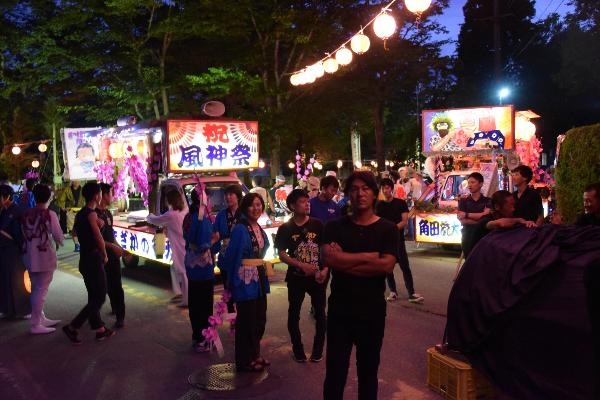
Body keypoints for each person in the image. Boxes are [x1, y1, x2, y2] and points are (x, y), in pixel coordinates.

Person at [321, 171, 398, 400]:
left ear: (374, 194)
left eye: (365, 188)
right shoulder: (334, 227)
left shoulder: (387, 229)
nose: (360, 193)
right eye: (354, 189)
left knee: (368, 374)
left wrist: (345, 260)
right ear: (347, 195)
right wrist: (369, 257)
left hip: (372, 312)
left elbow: (386, 267)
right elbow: (329, 260)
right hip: (339, 312)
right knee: (335, 373)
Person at [275, 189, 328, 363]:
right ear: (292, 206)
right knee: (294, 313)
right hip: (296, 278)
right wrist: (300, 265)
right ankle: (298, 350)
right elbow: (282, 254)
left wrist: (325, 270)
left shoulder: (318, 224)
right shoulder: (285, 228)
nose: (307, 204)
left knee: (320, 313)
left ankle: (317, 350)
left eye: (308, 201)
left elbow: (325, 251)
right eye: (302, 201)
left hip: (317, 277)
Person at [223, 193, 271, 372]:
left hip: (258, 278)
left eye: (259, 205)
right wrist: (232, 282)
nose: (256, 208)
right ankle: (244, 359)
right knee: (246, 321)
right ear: (245, 208)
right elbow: (232, 256)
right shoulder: (240, 229)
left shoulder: (257, 226)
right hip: (244, 280)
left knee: (260, 319)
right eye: (252, 205)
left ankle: (255, 353)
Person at [62, 182, 115, 343]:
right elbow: (98, 238)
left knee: (93, 295)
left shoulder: (81, 214)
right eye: (100, 193)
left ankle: (99, 329)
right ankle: (73, 327)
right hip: (93, 259)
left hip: (84, 259)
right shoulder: (92, 214)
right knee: (100, 296)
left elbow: (76, 233)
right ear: (96, 196)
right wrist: (105, 254)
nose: (101, 196)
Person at [21, 184, 65, 334]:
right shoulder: (49, 214)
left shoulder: (27, 214)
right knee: (41, 290)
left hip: (28, 255)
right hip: (44, 256)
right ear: (48, 196)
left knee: (35, 288)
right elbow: (59, 237)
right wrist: (60, 240)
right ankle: (35, 324)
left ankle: (40, 318)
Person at [376, 178, 424, 304]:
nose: (385, 190)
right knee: (388, 267)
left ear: (392, 189)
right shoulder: (379, 205)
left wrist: (392, 230)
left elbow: (404, 221)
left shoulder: (400, 203)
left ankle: (411, 292)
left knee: (405, 266)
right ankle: (393, 291)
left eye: (387, 188)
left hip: (398, 239)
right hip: (384, 241)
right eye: (383, 188)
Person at [183, 189, 216, 353]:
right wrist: (214, 240)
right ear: (203, 200)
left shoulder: (190, 217)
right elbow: (203, 245)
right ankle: (203, 337)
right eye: (208, 198)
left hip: (192, 266)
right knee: (203, 304)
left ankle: (198, 336)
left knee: (195, 303)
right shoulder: (200, 219)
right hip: (202, 268)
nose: (210, 201)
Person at [147, 189, 189, 307]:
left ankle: (186, 300)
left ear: (169, 200)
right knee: (175, 267)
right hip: (184, 244)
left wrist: (149, 215)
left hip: (179, 246)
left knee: (182, 271)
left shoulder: (171, 214)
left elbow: (154, 220)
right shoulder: (184, 211)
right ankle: (179, 293)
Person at [96, 183, 127, 328]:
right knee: (106, 286)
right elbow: (97, 240)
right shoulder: (93, 215)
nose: (112, 196)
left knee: (117, 285)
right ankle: (113, 306)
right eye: (110, 193)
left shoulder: (107, 213)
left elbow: (110, 235)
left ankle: (120, 315)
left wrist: (120, 248)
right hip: (101, 256)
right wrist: (113, 247)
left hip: (112, 256)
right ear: (102, 195)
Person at [468, 190, 537, 253]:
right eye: (510, 205)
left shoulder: (509, 216)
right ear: (497, 207)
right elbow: (501, 223)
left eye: (514, 205)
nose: (513, 209)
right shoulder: (486, 220)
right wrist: (519, 220)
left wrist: (528, 224)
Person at [0, 184, 30, 319]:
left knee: (16, 281)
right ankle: (8, 310)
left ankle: (21, 311)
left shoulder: (14, 210)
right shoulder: (5, 210)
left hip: (14, 251)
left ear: (6, 197)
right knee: (6, 280)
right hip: (6, 250)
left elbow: (14, 233)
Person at [213, 184, 243, 313]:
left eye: (231, 194)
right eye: (226, 195)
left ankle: (242, 315)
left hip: (242, 256)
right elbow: (215, 234)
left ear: (238, 196)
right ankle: (231, 314)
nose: (228, 197)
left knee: (241, 287)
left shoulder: (245, 214)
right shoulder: (221, 215)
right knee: (228, 287)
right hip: (225, 256)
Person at [457, 172, 491, 258]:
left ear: (481, 184)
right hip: (468, 236)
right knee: (469, 262)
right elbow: (462, 220)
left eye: (473, 182)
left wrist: (466, 214)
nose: (469, 185)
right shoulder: (463, 200)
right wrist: (481, 220)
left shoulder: (488, 201)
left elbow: (487, 217)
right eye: (468, 182)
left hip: (484, 237)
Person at [57, 180, 85, 252]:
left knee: (81, 228)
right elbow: (61, 199)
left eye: (77, 180)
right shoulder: (67, 189)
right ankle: (77, 244)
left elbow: (87, 199)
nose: (76, 182)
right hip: (71, 211)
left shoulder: (83, 189)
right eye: (74, 180)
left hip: (81, 211)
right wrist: (63, 207)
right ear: (72, 181)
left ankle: (82, 243)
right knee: (73, 229)